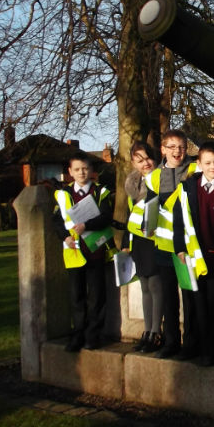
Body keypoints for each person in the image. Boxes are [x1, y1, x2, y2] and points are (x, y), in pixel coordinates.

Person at [171, 141, 214, 366]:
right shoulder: (187, 188)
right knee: (200, 308)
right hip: (196, 257)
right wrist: (180, 248)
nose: (213, 167)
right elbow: (178, 221)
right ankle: (206, 352)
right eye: (208, 163)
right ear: (199, 163)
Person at [53, 151, 115, 352]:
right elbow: (57, 221)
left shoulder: (101, 191)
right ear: (70, 172)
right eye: (77, 169)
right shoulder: (63, 194)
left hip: (95, 249)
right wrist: (65, 236)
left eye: (85, 169)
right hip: (74, 252)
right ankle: (77, 334)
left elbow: (106, 216)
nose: (81, 173)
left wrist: (86, 225)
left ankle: (92, 335)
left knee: (96, 296)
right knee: (76, 296)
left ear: (91, 170)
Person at [145, 129, 197, 358]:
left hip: (188, 247)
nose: (177, 151)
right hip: (164, 247)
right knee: (169, 299)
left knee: (190, 297)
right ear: (163, 149)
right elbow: (149, 209)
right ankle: (171, 342)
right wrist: (147, 226)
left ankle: (191, 344)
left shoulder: (195, 170)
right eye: (172, 147)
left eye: (181, 147)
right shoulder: (153, 177)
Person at [121, 141, 165, 353]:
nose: (145, 163)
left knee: (156, 286)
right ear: (133, 163)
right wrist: (125, 244)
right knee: (145, 287)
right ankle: (147, 331)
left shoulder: (162, 179)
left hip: (155, 238)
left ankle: (156, 332)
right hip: (138, 241)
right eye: (139, 160)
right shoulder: (132, 185)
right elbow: (130, 216)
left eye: (147, 158)